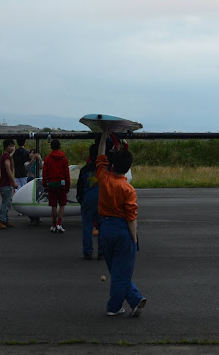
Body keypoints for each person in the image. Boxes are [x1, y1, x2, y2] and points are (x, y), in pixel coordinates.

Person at [97, 129, 146, 317]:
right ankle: (114, 307)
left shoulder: (103, 178)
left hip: (105, 229)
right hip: (122, 230)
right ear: (128, 167)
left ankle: (135, 299)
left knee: (117, 271)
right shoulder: (128, 189)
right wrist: (134, 239)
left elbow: (101, 156)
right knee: (122, 272)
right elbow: (131, 217)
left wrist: (104, 134)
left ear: (112, 163)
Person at [77, 144, 102, 260]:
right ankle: (101, 251)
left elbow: (79, 188)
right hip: (102, 200)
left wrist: (81, 200)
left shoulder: (84, 170)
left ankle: (87, 252)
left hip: (87, 199)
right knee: (102, 226)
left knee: (87, 226)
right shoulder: (104, 169)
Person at [42, 139, 70, 233]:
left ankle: (53, 225)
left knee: (53, 205)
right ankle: (59, 224)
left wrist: (44, 184)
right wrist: (68, 185)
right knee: (62, 205)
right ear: (60, 146)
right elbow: (67, 173)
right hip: (61, 184)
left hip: (51, 184)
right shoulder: (64, 158)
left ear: (51, 147)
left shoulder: (47, 159)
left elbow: (45, 172)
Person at [0, 139, 18, 229]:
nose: (12, 147)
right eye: (10, 146)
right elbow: (8, 169)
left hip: (5, 183)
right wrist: (13, 182)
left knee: (7, 202)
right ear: (6, 147)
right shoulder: (6, 157)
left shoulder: (6, 155)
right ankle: (1, 220)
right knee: (6, 203)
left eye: (13, 146)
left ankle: (5, 219)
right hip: (6, 184)